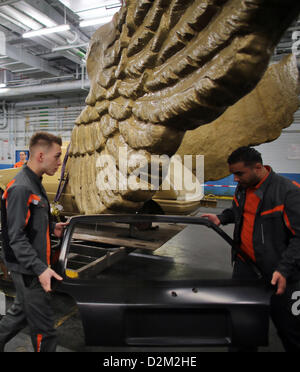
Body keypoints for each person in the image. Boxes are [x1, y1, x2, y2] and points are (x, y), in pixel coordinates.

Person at [202, 146, 300, 352]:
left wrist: (284, 269)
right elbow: (238, 211)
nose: (235, 179)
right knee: (242, 331)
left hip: (281, 277)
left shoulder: (288, 192)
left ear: (258, 167)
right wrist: (222, 217)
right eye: (233, 174)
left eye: (239, 173)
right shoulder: (244, 188)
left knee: (291, 332)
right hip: (246, 270)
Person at [0, 132, 68, 352]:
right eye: (57, 156)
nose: (59, 163)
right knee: (44, 331)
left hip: (32, 265)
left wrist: (51, 228)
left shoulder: (35, 182)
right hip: (29, 269)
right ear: (40, 155)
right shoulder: (21, 187)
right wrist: (41, 269)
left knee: (19, 314)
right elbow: (15, 237)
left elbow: (31, 221)